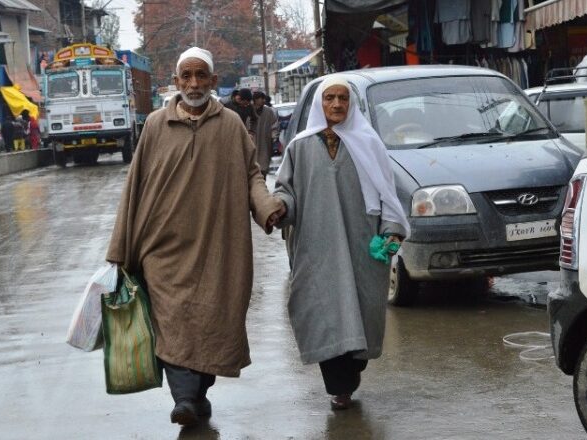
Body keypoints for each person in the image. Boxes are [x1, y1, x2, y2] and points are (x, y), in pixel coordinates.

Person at [106, 46, 285, 427]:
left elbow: (251, 174)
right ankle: (184, 398)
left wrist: (267, 208)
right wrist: (121, 247)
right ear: (175, 82)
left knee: (212, 322)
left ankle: (198, 395)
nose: (194, 83)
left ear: (214, 81)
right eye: (186, 76)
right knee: (172, 321)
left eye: (201, 75)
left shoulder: (231, 125)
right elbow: (134, 186)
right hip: (162, 249)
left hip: (218, 247)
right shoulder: (155, 124)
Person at [273, 76, 410, 411]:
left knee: (361, 315)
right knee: (324, 313)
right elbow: (285, 192)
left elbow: (388, 193)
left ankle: (353, 369)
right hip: (315, 247)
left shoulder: (368, 144)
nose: (336, 105)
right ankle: (340, 387)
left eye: (343, 99)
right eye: (329, 98)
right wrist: (279, 208)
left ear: (352, 104)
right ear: (320, 103)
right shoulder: (300, 147)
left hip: (362, 245)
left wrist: (392, 230)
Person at [251, 91, 278, 177]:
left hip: (265, 141)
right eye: (261, 98)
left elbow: (274, 124)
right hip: (252, 141)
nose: (263, 100)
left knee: (264, 164)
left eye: (263, 98)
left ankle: (263, 178)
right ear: (255, 100)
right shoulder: (249, 110)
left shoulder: (268, 111)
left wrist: (274, 136)